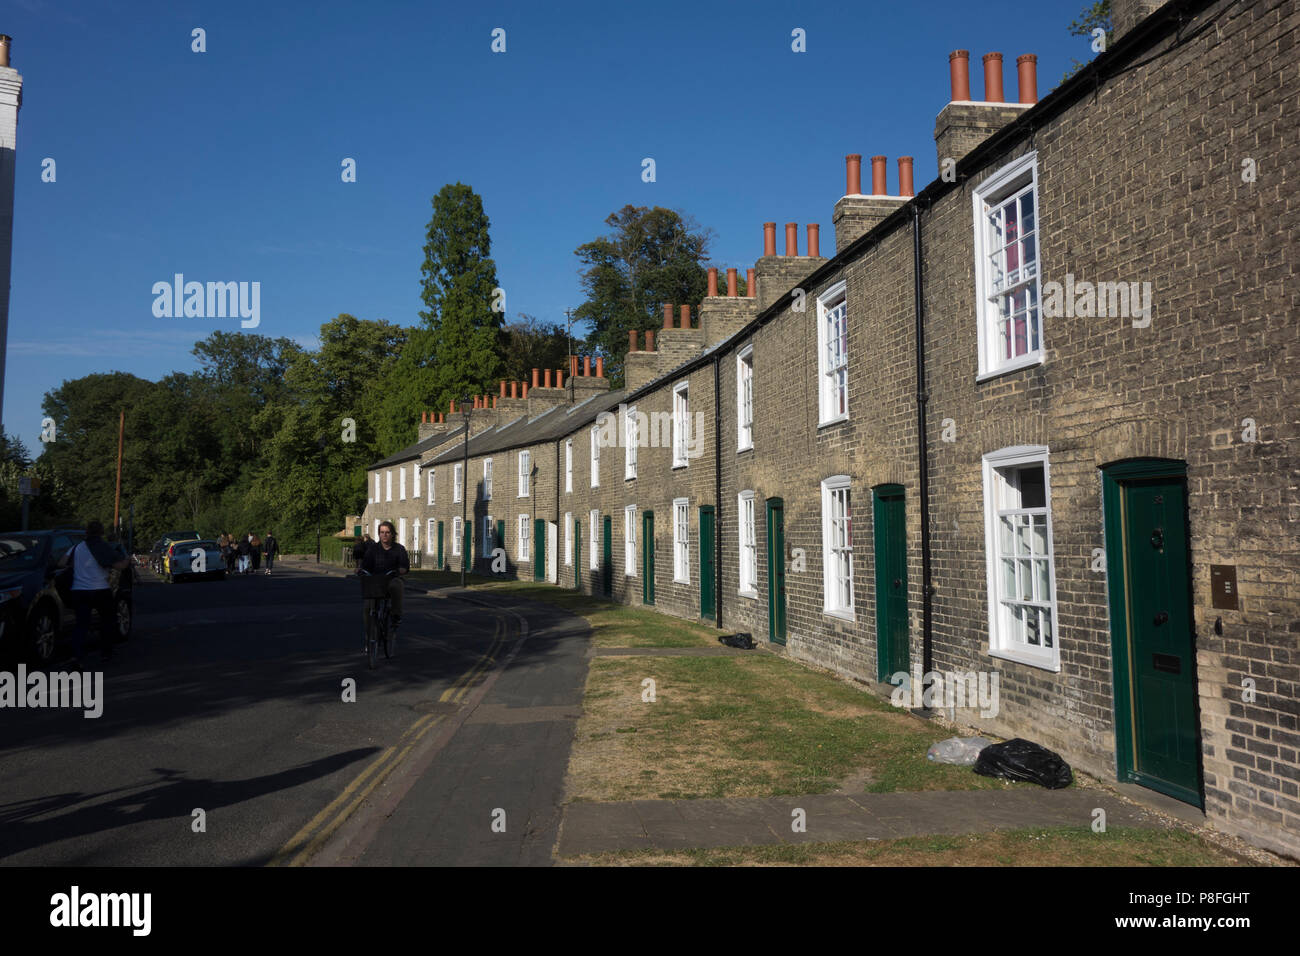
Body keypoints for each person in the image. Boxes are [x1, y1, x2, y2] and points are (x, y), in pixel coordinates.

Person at [68, 520, 130, 666]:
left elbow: (62, 562)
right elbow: (119, 566)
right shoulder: (103, 547)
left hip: (79, 590)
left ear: (86, 532)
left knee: (81, 624)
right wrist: (127, 559)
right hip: (100, 589)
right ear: (101, 532)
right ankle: (106, 653)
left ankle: (77, 656)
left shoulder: (76, 548)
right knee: (107, 621)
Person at [357, 522, 408, 649]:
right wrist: (360, 569)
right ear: (379, 534)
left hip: (391, 578)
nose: (384, 535)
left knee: (397, 585)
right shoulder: (373, 549)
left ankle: (396, 615)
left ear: (392, 534)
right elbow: (366, 565)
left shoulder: (399, 549)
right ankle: (369, 637)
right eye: (382, 532)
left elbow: (404, 566)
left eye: (387, 532)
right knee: (367, 608)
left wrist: (402, 569)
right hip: (376, 581)